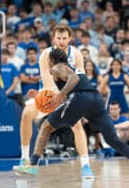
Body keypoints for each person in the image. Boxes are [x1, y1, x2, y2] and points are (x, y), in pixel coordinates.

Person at [15, 48, 129, 180]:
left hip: (80, 99)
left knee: (46, 127)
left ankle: (32, 164)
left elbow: (73, 79)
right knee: (112, 140)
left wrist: (61, 95)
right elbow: (64, 87)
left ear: (51, 60)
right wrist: (39, 95)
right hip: (95, 100)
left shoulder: (57, 68)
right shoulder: (73, 67)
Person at [14, 25, 94, 178]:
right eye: (59, 38)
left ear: (70, 38)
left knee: (77, 125)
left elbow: (81, 79)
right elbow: (47, 80)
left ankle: (86, 166)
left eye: (64, 38)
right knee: (26, 113)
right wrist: (55, 98)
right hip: (48, 94)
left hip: (67, 96)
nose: (61, 41)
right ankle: (24, 158)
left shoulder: (76, 54)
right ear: (54, 38)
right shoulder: (45, 54)